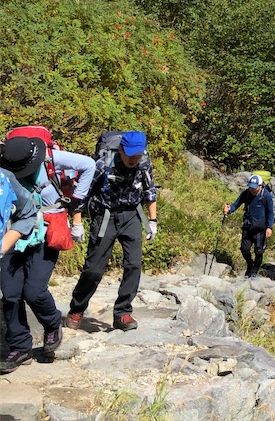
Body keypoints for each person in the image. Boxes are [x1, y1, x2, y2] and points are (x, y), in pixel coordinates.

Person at [0, 134, 95, 374]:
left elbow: (89, 165)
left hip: (48, 228)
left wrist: (76, 202)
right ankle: (20, 347)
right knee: (10, 294)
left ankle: (52, 323)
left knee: (34, 290)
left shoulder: (51, 158)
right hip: (13, 231)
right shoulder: (5, 169)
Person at [66, 131, 157, 333]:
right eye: (130, 154)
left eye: (138, 154)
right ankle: (76, 309)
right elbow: (82, 192)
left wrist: (152, 221)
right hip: (105, 217)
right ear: (121, 149)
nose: (134, 159)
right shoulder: (103, 164)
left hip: (132, 215)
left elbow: (150, 190)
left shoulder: (144, 162)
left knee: (133, 265)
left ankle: (122, 313)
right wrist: (77, 222)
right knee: (94, 269)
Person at [223, 174, 274, 279]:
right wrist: (229, 210)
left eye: (254, 187)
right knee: (244, 249)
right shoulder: (246, 194)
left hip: (261, 229)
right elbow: (236, 205)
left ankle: (255, 270)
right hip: (248, 226)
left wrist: (269, 227)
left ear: (260, 186)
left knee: (259, 251)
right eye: (250, 187)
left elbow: (270, 213)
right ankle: (250, 265)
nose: (252, 189)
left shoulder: (266, 196)